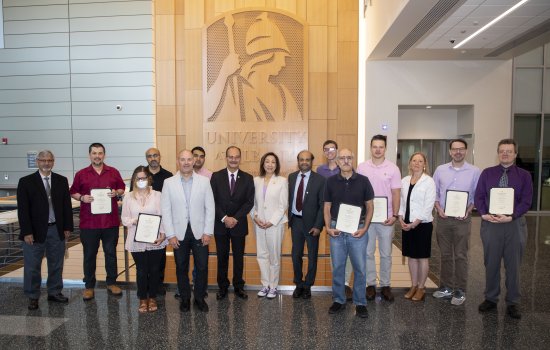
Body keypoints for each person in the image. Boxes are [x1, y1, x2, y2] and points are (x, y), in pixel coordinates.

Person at [206, 12, 301, 123]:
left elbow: (297, 122)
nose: (284, 64)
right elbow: (208, 111)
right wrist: (224, 73)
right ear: (268, 56)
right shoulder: (235, 87)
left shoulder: (283, 94)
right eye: (282, 57)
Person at [475, 139, 532, 319]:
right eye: (502, 151)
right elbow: (479, 196)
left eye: (509, 151)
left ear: (515, 154)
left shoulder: (524, 175)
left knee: (513, 265)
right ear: (497, 153)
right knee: (490, 263)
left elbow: (526, 201)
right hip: (491, 224)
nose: (505, 154)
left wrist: (511, 215)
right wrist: (483, 213)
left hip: (514, 224)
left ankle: (513, 302)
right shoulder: (487, 173)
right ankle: (491, 298)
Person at [17, 150, 74, 310]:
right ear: (37, 162)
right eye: (43, 160)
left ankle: (54, 292)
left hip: (56, 229)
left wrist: (68, 227)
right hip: (33, 233)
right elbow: (23, 210)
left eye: (49, 160)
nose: (46, 163)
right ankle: (32, 296)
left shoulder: (61, 181)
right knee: (32, 266)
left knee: (56, 263)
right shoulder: (26, 182)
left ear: (53, 162)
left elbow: (66, 207)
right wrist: (27, 231)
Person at [70, 142, 126, 301]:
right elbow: (73, 191)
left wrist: (116, 192)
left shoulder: (113, 172)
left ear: (104, 155)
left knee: (111, 254)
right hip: (89, 224)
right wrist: (81, 198)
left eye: (100, 153)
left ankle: (112, 282)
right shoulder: (81, 174)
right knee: (89, 255)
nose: (97, 156)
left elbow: (122, 188)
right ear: (90, 155)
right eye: (94, 153)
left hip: (110, 223)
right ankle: (88, 286)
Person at [161, 150, 215, 312]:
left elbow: (210, 208)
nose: (186, 162)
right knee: (181, 267)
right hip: (178, 233)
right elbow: (166, 210)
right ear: (178, 161)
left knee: (202, 267)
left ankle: (199, 298)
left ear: (194, 161)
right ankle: (185, 298)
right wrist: (170, 234)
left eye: (189, 159)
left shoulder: (204, 181)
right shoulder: (169, 183)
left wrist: (208, 232)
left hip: (200, 232)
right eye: (182, 159)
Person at [324, 148, 374, 318]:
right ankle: (339, 300)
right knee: (338, 267)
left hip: (357, 231)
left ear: (353, 159)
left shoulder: (364, 181)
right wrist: (328, 227)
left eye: (349, 157)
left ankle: (360, 302)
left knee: (360, 268)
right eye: (342, 158)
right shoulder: (330, 182)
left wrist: (365, 228)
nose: (345, 160)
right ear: (337, 161)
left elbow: (370, 206)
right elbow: (327, 206)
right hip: (336, 230)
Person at [432, 139, 480, 306]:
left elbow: (476, 195)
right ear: (450, 151)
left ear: (466, 151)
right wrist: (438, 208)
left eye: (461, 149)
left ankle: (460, 290)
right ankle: (446, 287)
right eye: (455, 149)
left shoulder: (474, 171)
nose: (458, 152)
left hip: (462, 219)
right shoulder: (440, 170)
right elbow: (435, 192)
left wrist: (468, 210)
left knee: (460, 255)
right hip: (443, 218)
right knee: (444, 254)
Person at [357, 134, 401, 302]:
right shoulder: (362, 168)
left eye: (381, 147)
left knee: (386, 254)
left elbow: (396, 193)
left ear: (385, 148)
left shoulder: (393, 168)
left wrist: (395, 215)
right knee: (367, 253)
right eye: (375, 146)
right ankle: (370, 285)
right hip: (367, 219)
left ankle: (385, 285)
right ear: (370, 148)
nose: (377, 149)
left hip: (386, 219)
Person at [210, 146, 255, 300]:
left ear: (240, 158)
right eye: (231, 156)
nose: (233, 159)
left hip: (239, 224)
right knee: (222, 257)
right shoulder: (216, 176)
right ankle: (222, 287)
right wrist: (224, 218)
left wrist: (235, 218)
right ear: (226, 158)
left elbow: (249, 202)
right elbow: (212, 200)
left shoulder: (248, 178)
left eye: (236, 157)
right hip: (220, 224)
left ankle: (238, 286)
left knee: (238, 257)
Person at [121, 166, 167, 313]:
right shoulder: (128, 197)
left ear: (149, 179)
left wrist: (163, 234)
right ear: (134, 180)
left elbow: (164, 216)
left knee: (154, 270)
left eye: (144, 178)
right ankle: (142, 298)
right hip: (136, 240)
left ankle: (152, 297)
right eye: (138, 178)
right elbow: (124, 219)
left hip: (155, 240)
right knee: (141, 270)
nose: (141, 180)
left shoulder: (158, 195)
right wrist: (136, 220)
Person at [398, 152, 436, 302]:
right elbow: (401, 202)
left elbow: (429, 205)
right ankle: (413, 285)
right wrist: (400, 219)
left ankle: (421, 287)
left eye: (420, 161)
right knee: (411, 257)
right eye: (414, 160)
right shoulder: (405, 180)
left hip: (422, 224)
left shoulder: (429, 181)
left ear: (424, 164)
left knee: (422, 257)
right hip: (406, 223)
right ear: (410, 163)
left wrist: (415, 223)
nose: (417, 163)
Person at [135, 147, 173, 296]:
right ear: (147, 159)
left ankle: (158, 285)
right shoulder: (142, 174)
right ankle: (146, 288)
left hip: (161, 224)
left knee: (160, 258)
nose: (153, 158)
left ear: (160, 156)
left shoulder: (168, 176)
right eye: (149, 156)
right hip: (142, 225)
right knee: (144, 261)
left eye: (155, 155)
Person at [288, 150, 326, 299]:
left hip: (312, 225)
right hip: (296, 221)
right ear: (298, 161)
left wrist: (318, 225)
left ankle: (308, 285)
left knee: (312, 255)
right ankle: (298, 283)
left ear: (312, 161)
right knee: (295, 255)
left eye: (307, 160)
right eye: (301, 159)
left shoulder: (320, 180)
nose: (304, 162)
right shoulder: (291, 177)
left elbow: (323, 205)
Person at [251, 152, 288, 299]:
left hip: (275, 224)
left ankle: (273, 286)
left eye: (273, 162)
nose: (270, 164)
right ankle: (265, 285)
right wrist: (255, 218)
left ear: (276, 165)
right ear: (263, 164)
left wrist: (271, 221)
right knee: (261, 255)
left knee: (274, 256)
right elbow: (252, 204)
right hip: (259, 224)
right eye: (267, 161)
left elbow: (283, 205)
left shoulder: (282, 181)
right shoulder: (255, 180)